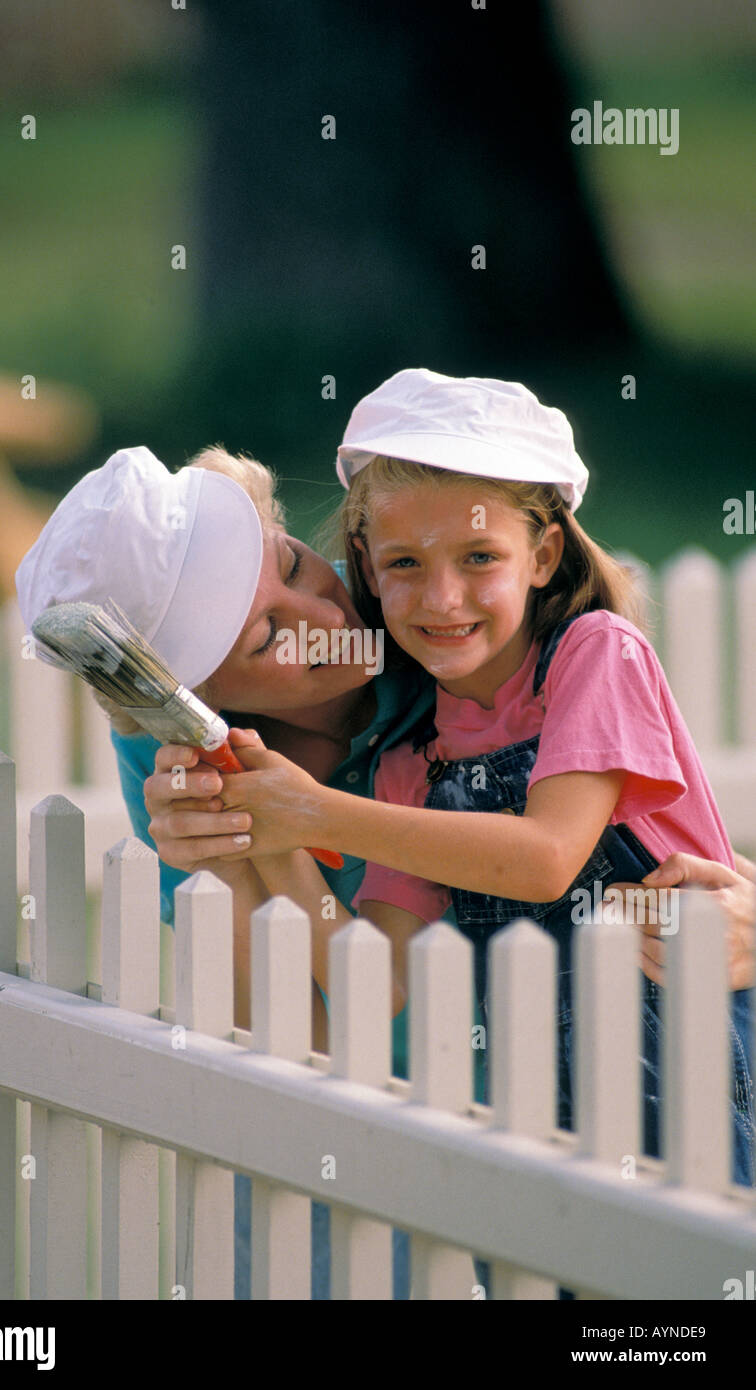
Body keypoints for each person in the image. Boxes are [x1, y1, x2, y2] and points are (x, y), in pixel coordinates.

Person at [15, 426, 755, 1300]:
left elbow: (611, 838)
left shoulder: (453, 637)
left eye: (294, 566)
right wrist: (254, 850)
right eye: (267, 638)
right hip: (397, 1134)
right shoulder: (177, 769)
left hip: (627, 1073)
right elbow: (312, 1040)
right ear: (194, 697)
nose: (330, 624)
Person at [188, 370, 755, 1190]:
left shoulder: (595, 657)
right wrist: (277, 838)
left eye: (479, 556)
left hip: (701, 1068)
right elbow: (371, 987)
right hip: (547, 1112)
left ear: (544, 553)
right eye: (406, 563)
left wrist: (315, 810)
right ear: (369, 572)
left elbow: (546, 855)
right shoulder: (408, 763)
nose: (442, 597)